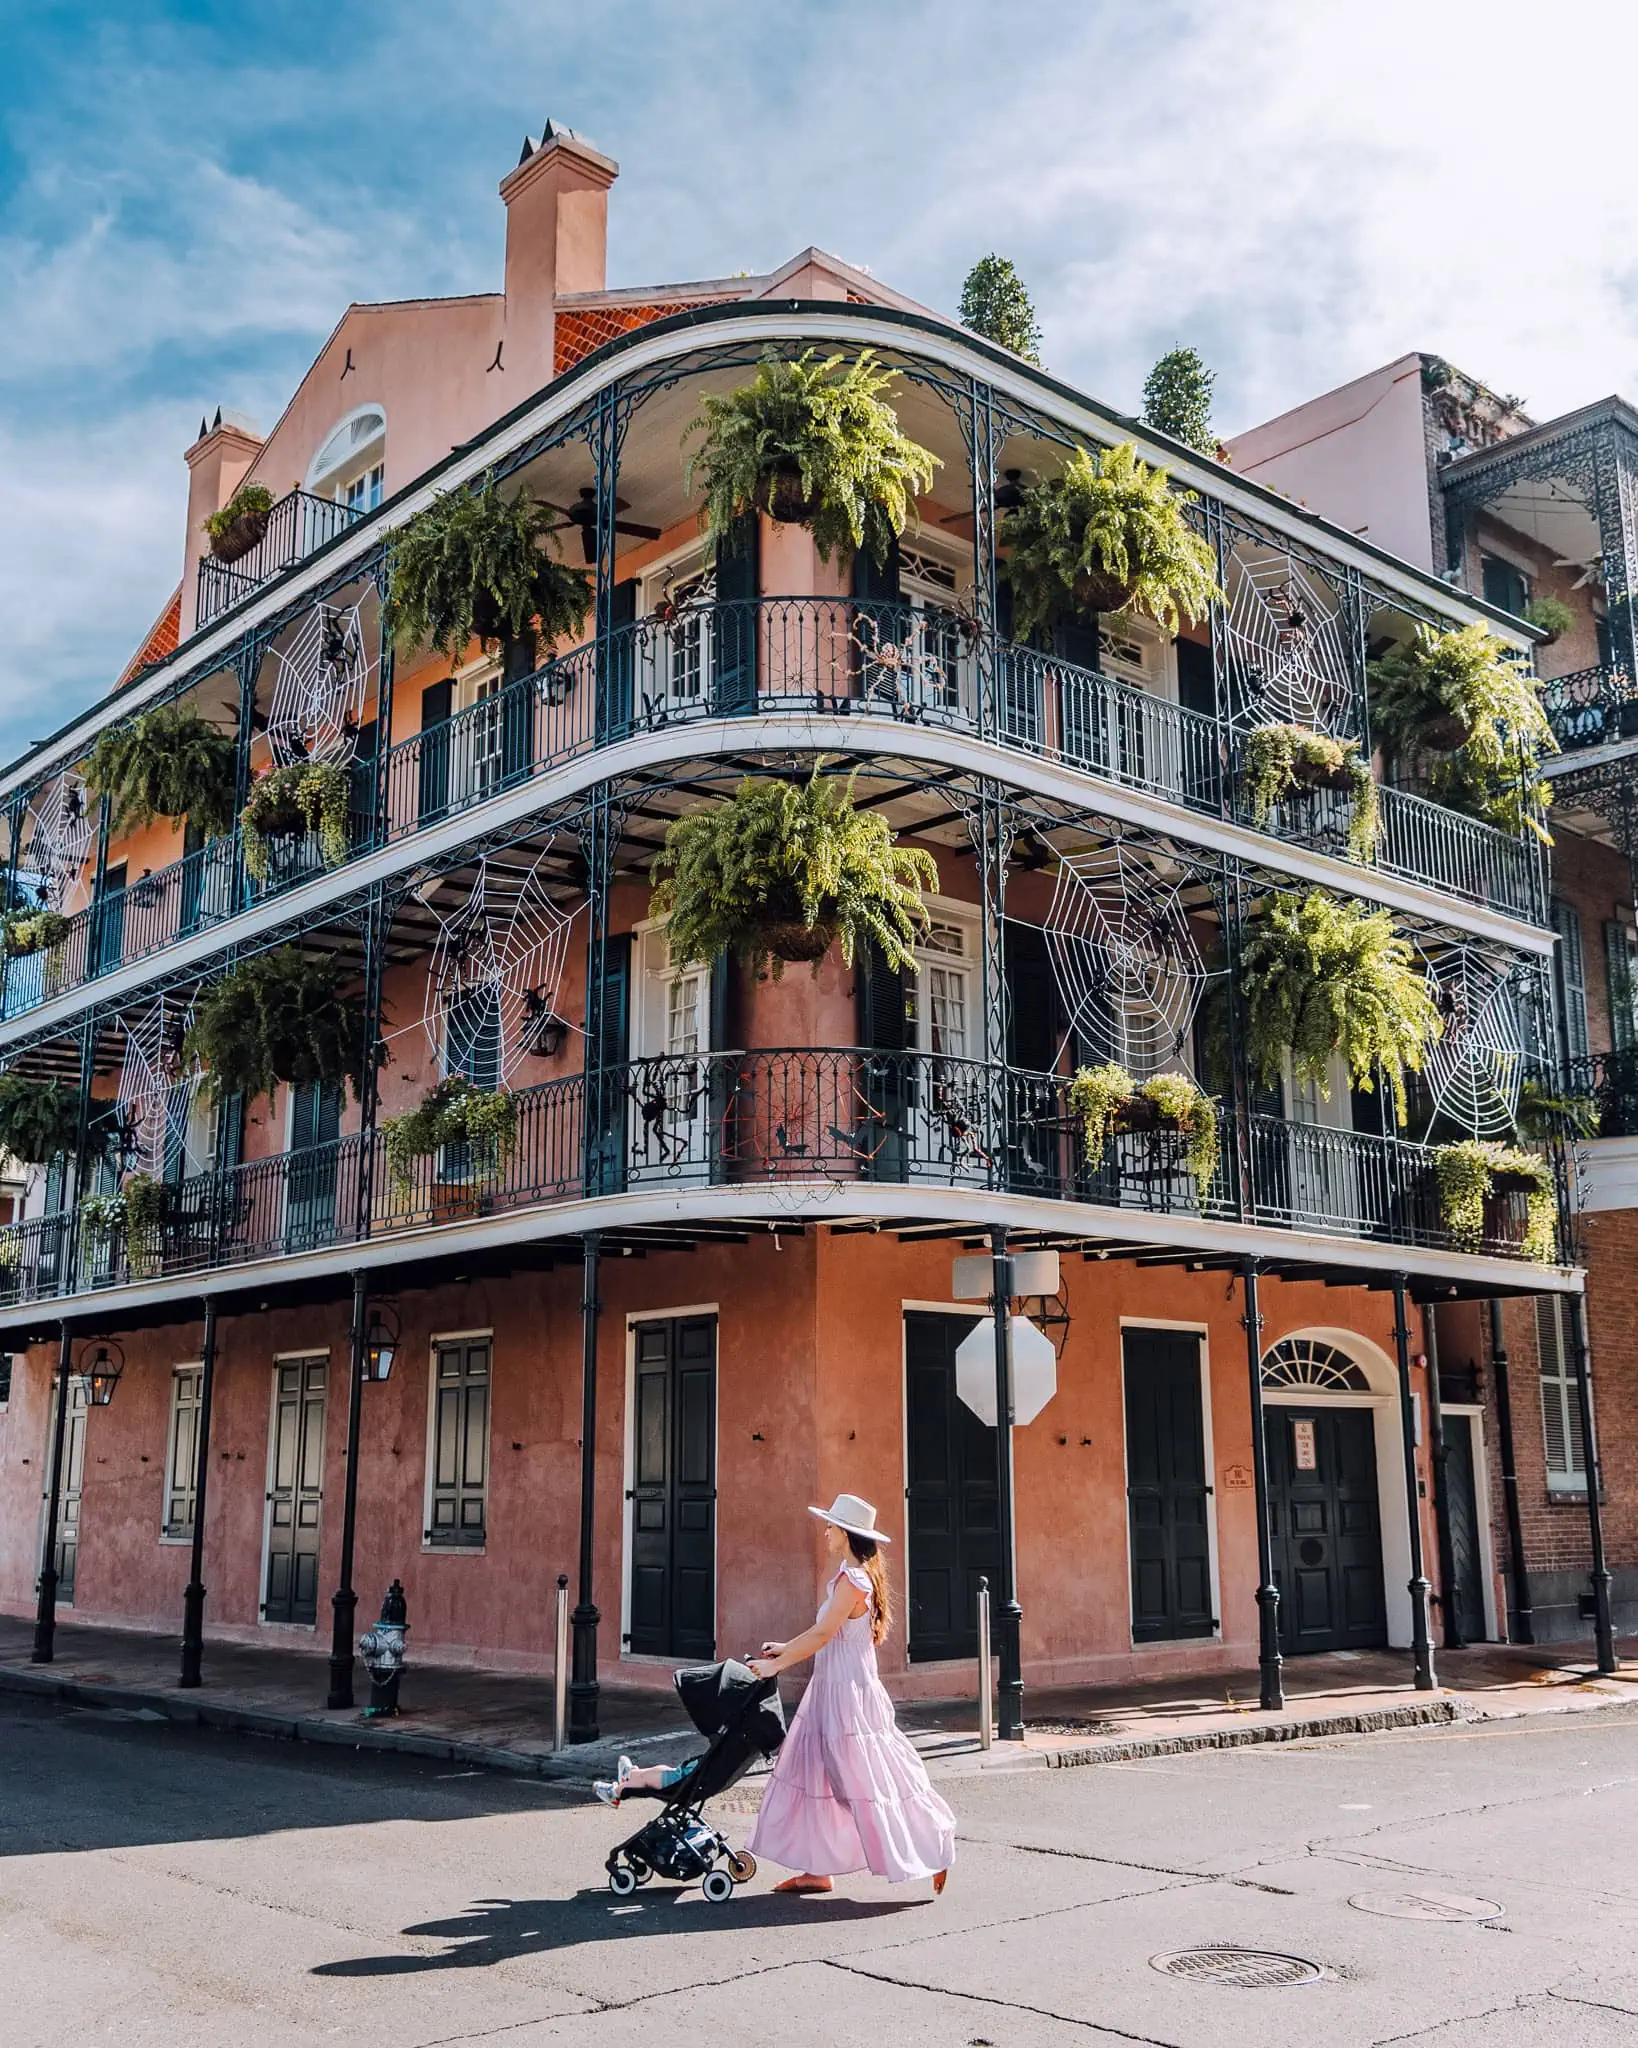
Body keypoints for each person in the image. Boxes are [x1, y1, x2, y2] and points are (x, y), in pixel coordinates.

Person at [746, 1492, 955, 1897]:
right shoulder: (853, 1576)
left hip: (847, 1697)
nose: (825, 1531)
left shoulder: (853, 1581)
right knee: (813, 1775)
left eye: (830, 1525)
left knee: (871, 1781)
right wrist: (785, 1647)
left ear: (845, 1532)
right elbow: (827, 1635)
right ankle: (816, 1870)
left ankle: (933, 1845)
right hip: (831, 1689)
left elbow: (825, 1634)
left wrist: (777, 1665)